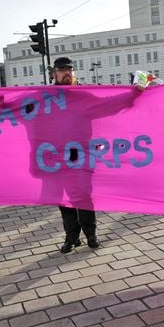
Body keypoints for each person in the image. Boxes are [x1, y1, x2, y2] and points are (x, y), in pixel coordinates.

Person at [51, 57, 100, 253]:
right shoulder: (46, 97)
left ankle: (91, 235)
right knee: (64, 199)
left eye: (69, 70)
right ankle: (72, 237)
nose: (67, 73)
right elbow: (19, 107)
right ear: (54, 74)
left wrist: (134, 93)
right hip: (57, 155)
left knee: (84, 195)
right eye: (62, 70)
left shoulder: (84, 95)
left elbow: (109, 104)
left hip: (83, 153)